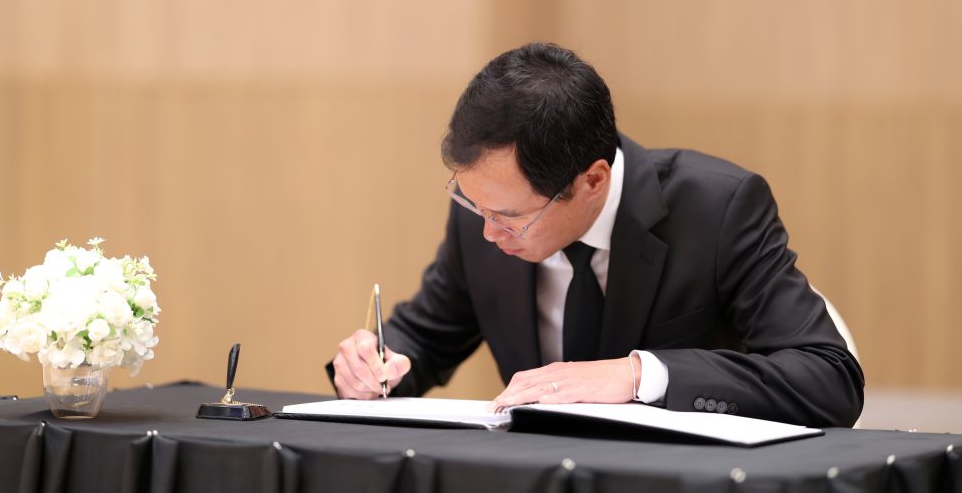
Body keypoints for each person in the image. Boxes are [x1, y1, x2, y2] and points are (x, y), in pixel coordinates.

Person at [329, 42, 864, 428]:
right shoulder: (485, 214)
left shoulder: (718, 209)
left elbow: (829, 377)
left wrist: (640, 375)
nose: (489, 231)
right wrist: (375, 366)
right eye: (472, 203)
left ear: (592, 181)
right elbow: (423, 340)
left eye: (510, 216)